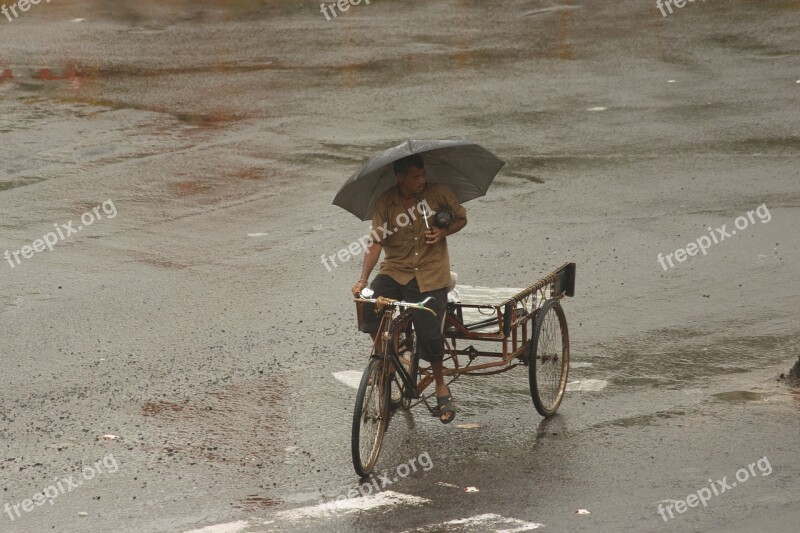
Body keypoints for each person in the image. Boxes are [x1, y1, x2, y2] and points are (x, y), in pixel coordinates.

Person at [351, 154, 467, 423]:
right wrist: (363, 280)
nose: (421, 180)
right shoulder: (385, 203)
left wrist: (442, 232)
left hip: (430, 274)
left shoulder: (439, 194)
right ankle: (387, 361)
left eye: (422, 175)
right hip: (396, 271)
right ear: (399, 177)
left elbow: (461, 218)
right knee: (368, 308)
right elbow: (376, 243)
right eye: (415, 176)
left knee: (429, 334)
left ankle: (440, 385)